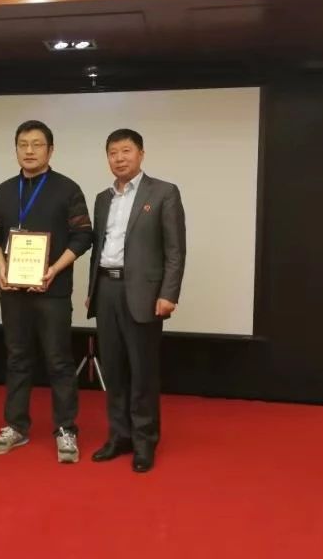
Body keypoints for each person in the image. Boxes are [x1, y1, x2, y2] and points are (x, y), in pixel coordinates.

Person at [0, 120, 92, 463]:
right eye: (23, 144)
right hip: (13, 292)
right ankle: (15, 426)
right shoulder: (4, 190)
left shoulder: (68, 189)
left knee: (59, 361)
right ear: (16, 149)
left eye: (37, 144)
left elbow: (83, 236)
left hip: (52, 291)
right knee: (17, 359)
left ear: (51, 150)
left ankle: (66, 429)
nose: (29, 151)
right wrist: (1, 265)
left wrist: (54, 269)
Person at [87, 128, 186, 473]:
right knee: (113, 371)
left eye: (126, 151)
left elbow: (175, 250)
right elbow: (99, 248)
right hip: (106, 290)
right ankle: (119, 436)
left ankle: (145, 442)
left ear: (141, 154)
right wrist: (92, 290)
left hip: (143, 294)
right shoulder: (102, 198)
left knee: (143, 373)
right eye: (113, 152)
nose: (119, 158)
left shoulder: (163, 192)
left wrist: (168, 293)